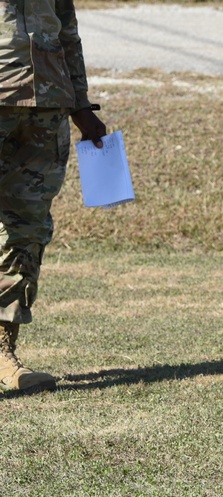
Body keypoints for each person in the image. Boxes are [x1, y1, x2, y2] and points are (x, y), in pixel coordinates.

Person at [0, 0, 106, 392]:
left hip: (46, 103)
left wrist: (80, 104)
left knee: (26, 230)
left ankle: (2, 350)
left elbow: (66, 27)